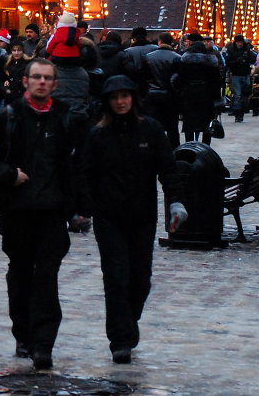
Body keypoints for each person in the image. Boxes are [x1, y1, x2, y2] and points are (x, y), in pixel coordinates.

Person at [0, 58, 83, 371]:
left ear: (55, 84)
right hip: (16, 211)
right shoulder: (6, 117)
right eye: (37, 77)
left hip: (51, 212)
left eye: (48, 78)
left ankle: (43, 344)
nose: (42, 82)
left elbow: (74, 166)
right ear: (26, 82)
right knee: (20, 274)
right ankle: (23, 333)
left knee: (47, 278)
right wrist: (9, 175)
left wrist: (77, 209)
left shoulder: (64, 118)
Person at [77, 76, 187, 364]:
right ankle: (120, 339)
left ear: (133, 99)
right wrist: (83, 208)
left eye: (125, 96)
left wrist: (175, 201)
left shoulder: (150, 130)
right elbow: (85, 174)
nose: (120, 101)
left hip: (142, 215)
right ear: (107, 102)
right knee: (115, 277)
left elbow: (168, 169)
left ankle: (128, 320)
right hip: (108, 216)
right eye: (115, 97)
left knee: (140, 280)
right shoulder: (97, 135)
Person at [174, 41, 223, 144]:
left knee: (189, 124)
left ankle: (190, 145)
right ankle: (206, 146)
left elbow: (179, 80)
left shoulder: (185, 61)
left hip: (189, 95)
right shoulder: (210, 62)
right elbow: (216, 82)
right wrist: (217, 99)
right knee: (206, 124)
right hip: (206, 96)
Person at [141, 33, 181, 149]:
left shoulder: (148, 57)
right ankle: (174, 152)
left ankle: (152, 150)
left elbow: (143, 77)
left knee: (152, 127)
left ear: (159, 42)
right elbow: (178, 80)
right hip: (170, 96)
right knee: (172, 128)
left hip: (152, 95)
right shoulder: (176, 57)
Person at [223, 35, 256, 122]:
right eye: (238, 42)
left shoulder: (247, 48)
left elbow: (253, 58)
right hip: (236, 74)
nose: (240, 44)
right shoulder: (231, 49)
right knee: (237, 94)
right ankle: (238, 113)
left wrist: (247, 58)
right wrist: (237, 61)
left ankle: (241, 110)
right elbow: (228, 62)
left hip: (245, 73)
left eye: (241, 42)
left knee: (245, 94)